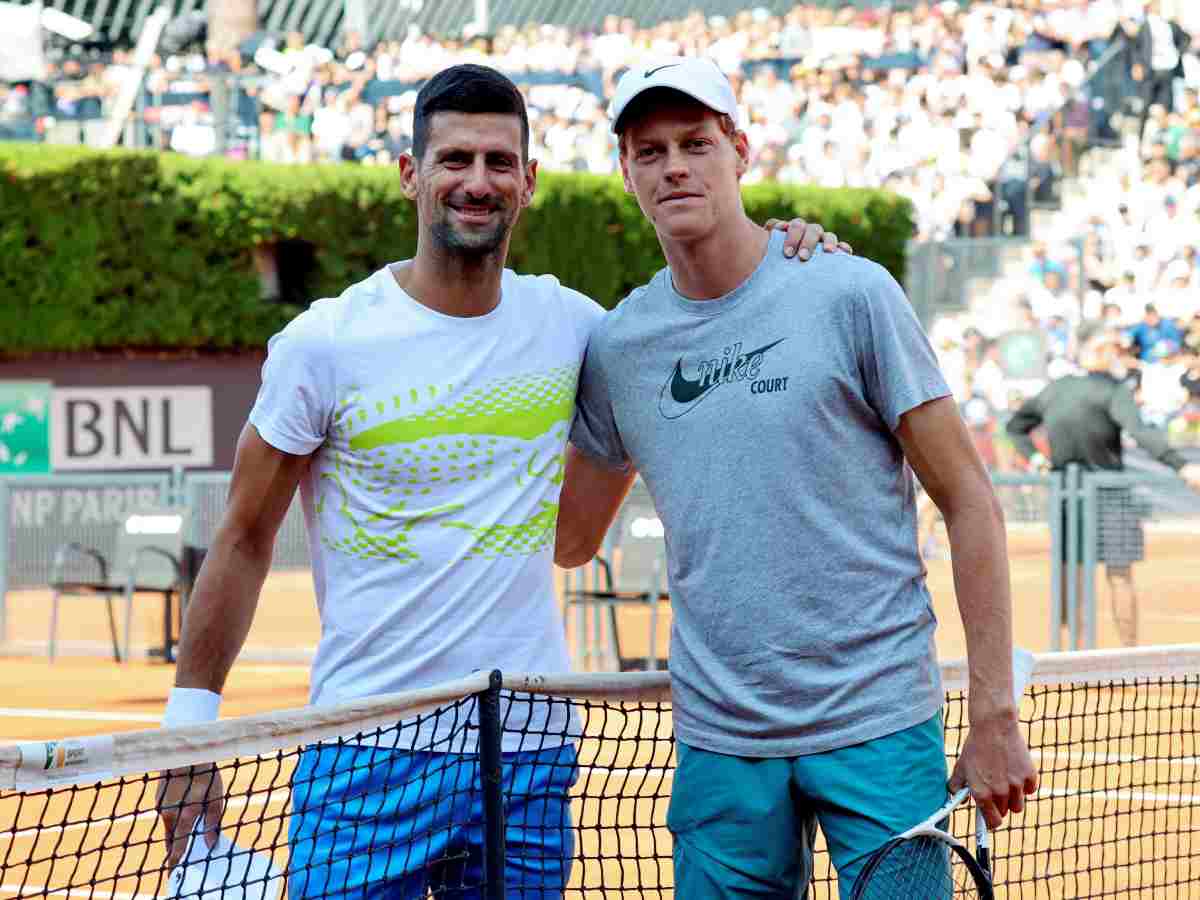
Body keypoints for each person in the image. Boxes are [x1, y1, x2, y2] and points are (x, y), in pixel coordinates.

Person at [152, 63, 848, 898]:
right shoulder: (323, 343)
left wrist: (795, 254)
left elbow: (713, 315)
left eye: (497, 162)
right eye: (453, 160)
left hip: (523, 749)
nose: (476, 182)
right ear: (411, 175)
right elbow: (243, 537)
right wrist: (189, 735)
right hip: (365, 749)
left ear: (529, 182)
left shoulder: (581, 330)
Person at [555, 56, 1038, 899]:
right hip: (721, 745)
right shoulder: (619, 347)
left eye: (697, 142)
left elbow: (969, 499)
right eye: (650, 149)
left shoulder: (849, 291)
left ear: (740, 150)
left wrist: (995, 710)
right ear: (625, 171)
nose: (674, 165)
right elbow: (569, 539)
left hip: (879, 724)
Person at [1006, 330, 1200, 648]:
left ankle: (1075, 658)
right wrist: (1181, 465)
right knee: (1119, 575)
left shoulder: (1057, 389)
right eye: (1113, 348)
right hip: (1110, 492)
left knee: (1072, 573)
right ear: (1095, 351)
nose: (1118, 355)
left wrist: (1038, 461)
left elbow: (1015, 427)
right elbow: (1139, 431)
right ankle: (1128, 656)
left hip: (1068, 494)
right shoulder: (1113, 390)